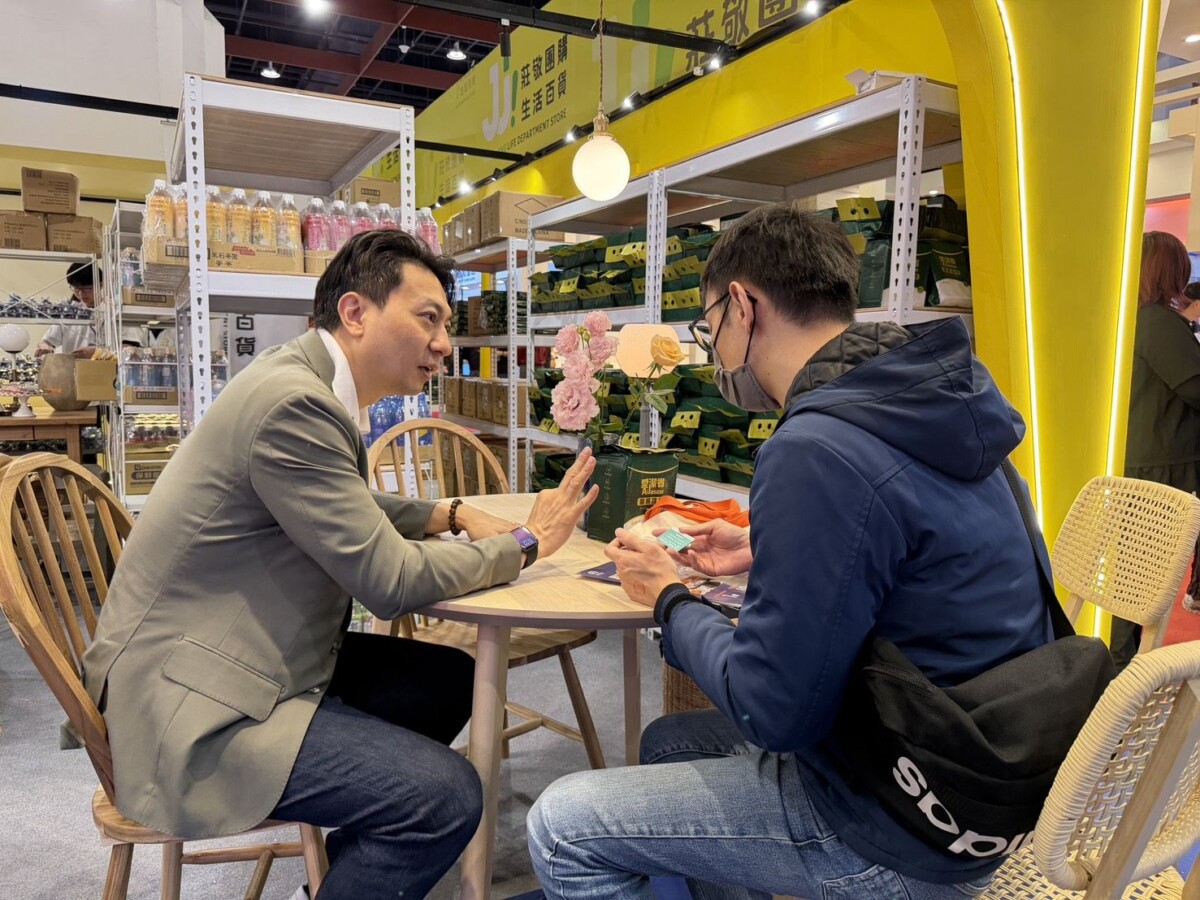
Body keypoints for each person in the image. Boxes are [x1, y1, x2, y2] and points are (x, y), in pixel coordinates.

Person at [526, 203, 1053, 899]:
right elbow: (915, 545)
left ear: (742, 306)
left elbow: (772, 712)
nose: (714, 351)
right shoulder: (937, 404)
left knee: (559, 827)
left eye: (709, 326)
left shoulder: (815, 446)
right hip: (984, 778)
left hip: (899, 825)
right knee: (669, 743)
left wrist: (668, 599)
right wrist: (764, 543)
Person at [80, 230, 599, 899]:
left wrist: (447, 514)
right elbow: (392, 582)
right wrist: (527, 543)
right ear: (355, 312)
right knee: (444, 797)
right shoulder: (295, 403)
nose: (445, 343)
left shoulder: (298, 380)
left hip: (226, 655)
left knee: (447, 680)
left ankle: (345, 875)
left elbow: (337, 501)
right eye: (429, 318)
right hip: (188, 704)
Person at [1113, 231, 1200, 659]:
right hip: (1161, 465)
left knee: (1133, 575)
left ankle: (1120, 663)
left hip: (1145, 458)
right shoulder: (1158, 323)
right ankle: (1120, 667)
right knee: (1143, 579)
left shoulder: (1134, 319)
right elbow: (1195, 386)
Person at [36, 263, 146, 358]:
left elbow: (131, 348)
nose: (80, 294)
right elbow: (47, 341)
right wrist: (44, 347)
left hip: (109, 371)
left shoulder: (116, 311)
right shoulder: (69, 313)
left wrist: (97, 353)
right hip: (73, 371)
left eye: (86, 288)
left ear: (101, 285)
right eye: (76, 289)